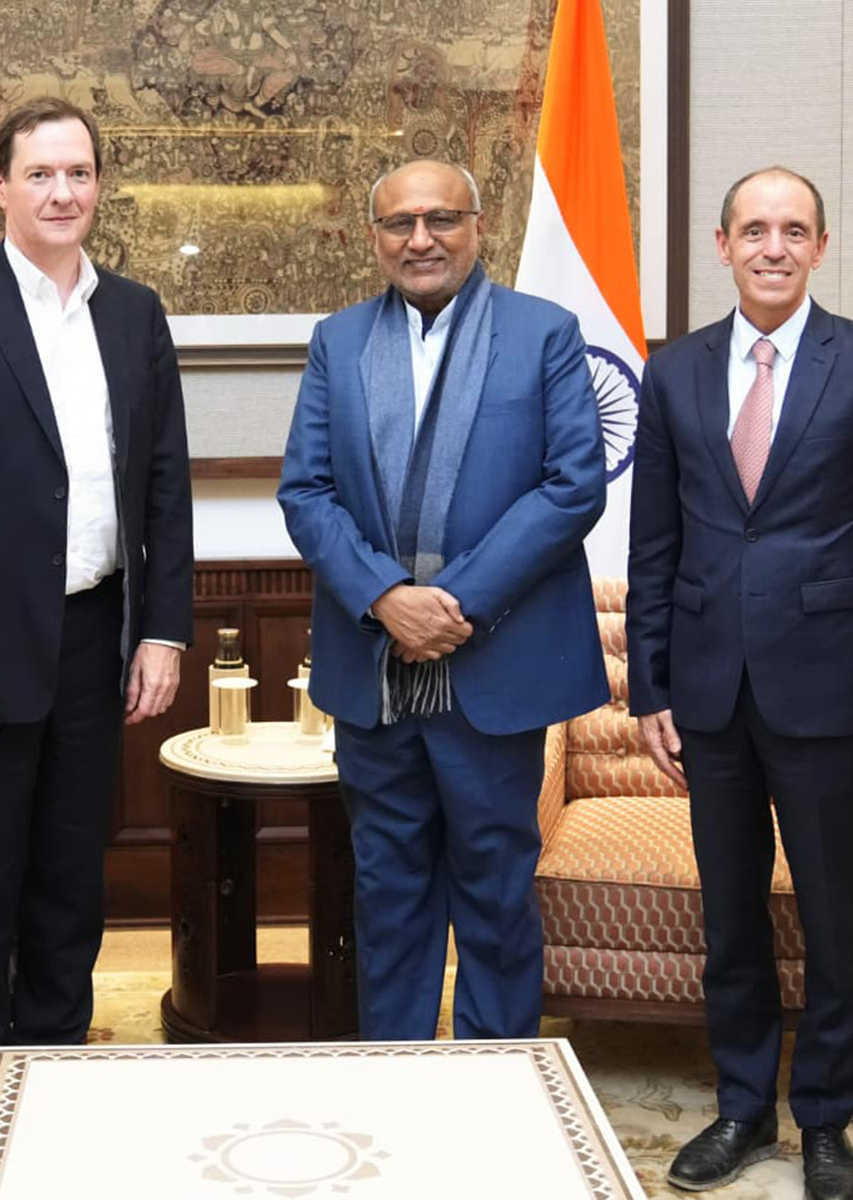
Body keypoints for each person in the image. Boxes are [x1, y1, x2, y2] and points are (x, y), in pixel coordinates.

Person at [0, 96, 194, 1172]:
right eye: (41, 174)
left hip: (97, 635)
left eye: (80, 173)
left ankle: (52, 1072)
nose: (63, 193)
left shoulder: (135, 313)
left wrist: (163, 632)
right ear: (1, 187)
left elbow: (165, 486)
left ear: (99, 184)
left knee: (71, 878)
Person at [626, 167, 853, 1200]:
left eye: (794, 230)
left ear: (819, 246)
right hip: (707, 692)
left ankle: (823, 1121)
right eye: (755, 230)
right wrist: (649, 689)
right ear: (722, 245)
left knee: (832, 913)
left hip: (826, 689)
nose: (774, 247)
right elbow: (652, 546)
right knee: (729, 913)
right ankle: (740, 1107)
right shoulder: (672, 371)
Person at [277, 159, 609, 1042]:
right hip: (374, 669)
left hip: (494, 665)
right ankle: (397, 1076)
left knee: (496, 890)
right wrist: (386, 597)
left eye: (441, 219)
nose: (420, 239)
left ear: (477, 226)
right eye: (400, 223)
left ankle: (496, 1078)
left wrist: (450, 601)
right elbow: (306, 493)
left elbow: (573, 485)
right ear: (374, 238)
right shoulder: (339, 341)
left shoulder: (544, 334)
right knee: (387, 891)